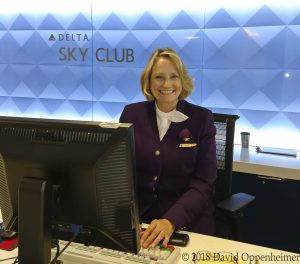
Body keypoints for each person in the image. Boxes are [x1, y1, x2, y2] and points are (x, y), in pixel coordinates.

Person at [119, 48, 217, 248]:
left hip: (188, 220)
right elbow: (121, 171)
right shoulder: (131, 114)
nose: (167, 84)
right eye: (159, 77)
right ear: (149, 81)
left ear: (183, 81)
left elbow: (204, 183)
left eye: (174, 77)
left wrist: (171, 220)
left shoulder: (202, 119)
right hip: (141, 221)